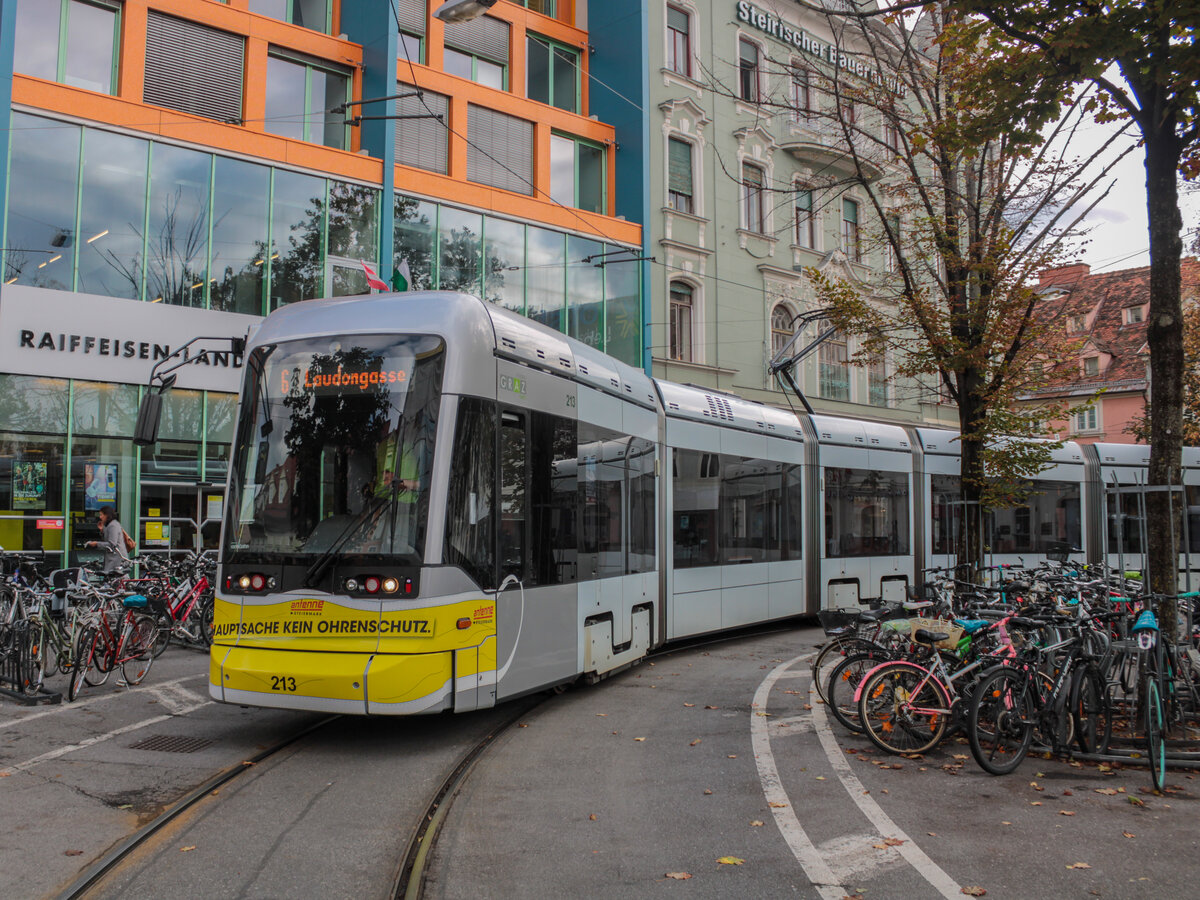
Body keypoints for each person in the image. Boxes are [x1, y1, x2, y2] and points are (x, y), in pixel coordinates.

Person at [86, 505, 129, 574]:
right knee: (118, 579)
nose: (100, 517)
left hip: (116, 558)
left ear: (107, 515)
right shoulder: (109, 525)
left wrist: (96, 544)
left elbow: (112, 543)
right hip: (114, 557)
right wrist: (102, 530)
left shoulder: (113, 525)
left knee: (113, 578)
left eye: (101, 515)